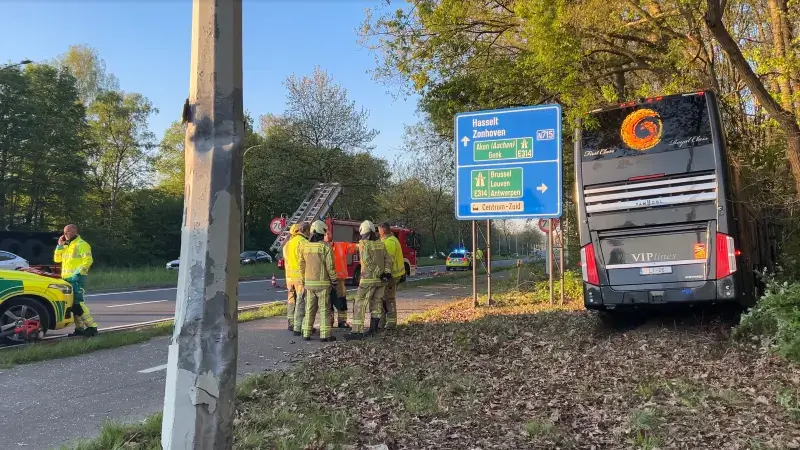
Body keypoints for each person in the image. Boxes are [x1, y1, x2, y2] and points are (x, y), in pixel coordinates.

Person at [346, 220, 392, 340]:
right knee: (376, 303)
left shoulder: (364, 244)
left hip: (368, 280)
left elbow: (367, 261)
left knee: (359, 303)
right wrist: (386, 273)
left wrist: (379, 273)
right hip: (380, 282)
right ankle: (373, 329)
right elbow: (388, 259)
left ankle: (357, 331)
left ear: (363, 231)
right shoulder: (381, 244)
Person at [298, 220, 339, 342]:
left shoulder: (304, 246)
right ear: (323, 232)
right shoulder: (325, 247)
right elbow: (330, 266)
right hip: (323, 285)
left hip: (309, 284)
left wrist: (303, 280)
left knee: (310, 309)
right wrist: (334, 280)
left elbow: (301, 265)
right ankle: (325, 335)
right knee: (324, 310)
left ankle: (306, 332)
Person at [54, 224, 97, 337]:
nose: (65, 234)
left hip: (77, 278)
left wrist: (78, 273)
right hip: (67, 279)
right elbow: (57, 259)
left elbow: (88, 261)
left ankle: (92, 327)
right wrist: (59, 246)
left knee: (78, 303)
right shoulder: (66, 245)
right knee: (73, 305)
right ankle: (79, 329)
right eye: (64, 232)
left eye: (67, 232)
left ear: (74, 232)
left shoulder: (82, 244)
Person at [325, 230, 356, 329]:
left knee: (341, 301)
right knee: (328, 302)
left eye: (328, 233)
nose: (327, 235)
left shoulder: (341, 246)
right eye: (325, 233)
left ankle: (342, 322)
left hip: (339, 280)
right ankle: (329, 322)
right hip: (326, 280)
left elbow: (355, 247)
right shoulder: (321, 248)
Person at [378, 222, 405, 330]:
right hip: (393, 275)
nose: (378, 232)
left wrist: (384, 274)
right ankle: (384, 322)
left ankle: (391, 323)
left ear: (383, 230)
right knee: (384, 299)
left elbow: (388, 261)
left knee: (389, 299)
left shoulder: (389, 242)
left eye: (379, 230)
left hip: (392, 276)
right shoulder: (389, 240)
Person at [283, 222, 309, 333]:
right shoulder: (304, 242)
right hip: (300, 277)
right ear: (306, 230)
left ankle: (291, 322)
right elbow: (306, 260)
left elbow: (286, 261)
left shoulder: (287, 244)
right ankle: (299, 325)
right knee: (301, 301)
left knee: (291, 299)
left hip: (289, 277)